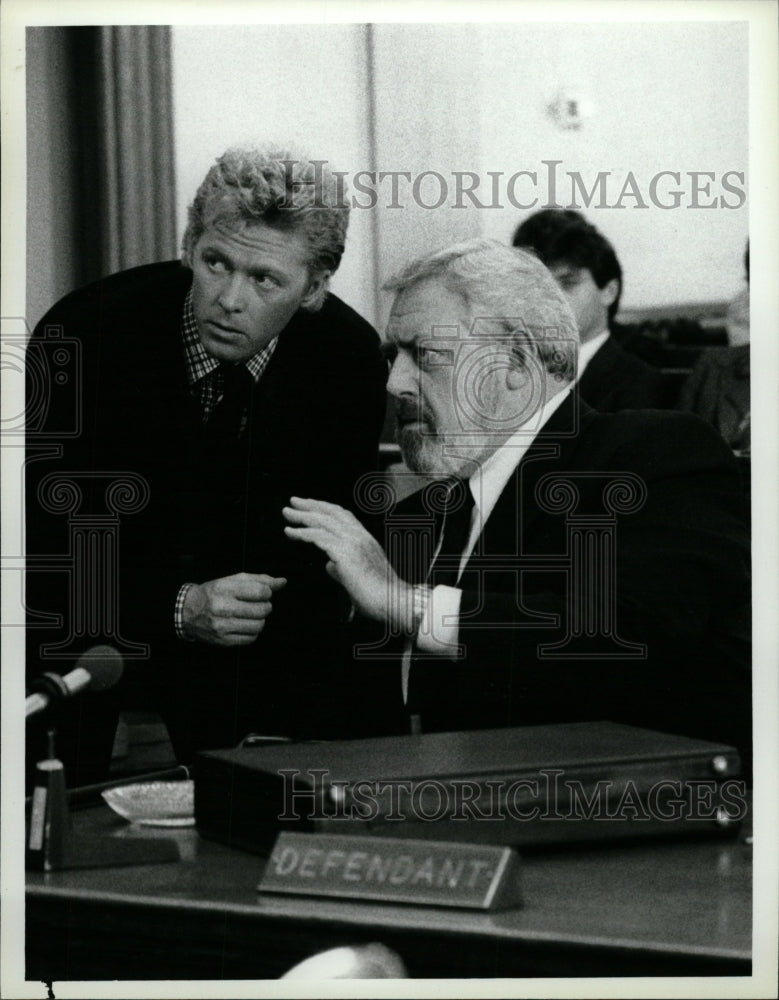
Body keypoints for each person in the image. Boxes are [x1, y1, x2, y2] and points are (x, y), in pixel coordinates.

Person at [282, 239, 751, 761]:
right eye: (395, 356)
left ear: (518, 363)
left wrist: (406, 604)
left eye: (425, 354)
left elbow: (625, 639)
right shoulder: (411, 522)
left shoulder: (652, 456)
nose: (396, 382)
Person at [26, 148, 388, 782]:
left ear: (316, 287)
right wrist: (176, 607)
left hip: (256, 640)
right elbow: (44, 550)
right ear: (189, 244)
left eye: (264, 279)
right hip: (93, 622)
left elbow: (320, 546)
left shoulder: (348, 359)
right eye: (215, 262)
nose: (228, 298)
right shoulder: (84, 335)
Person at [512, 209, 667, 411]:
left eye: (567, 283)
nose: (548, 297)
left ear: (609, 291)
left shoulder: (639, 386)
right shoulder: (513, 373)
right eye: (535, 283)